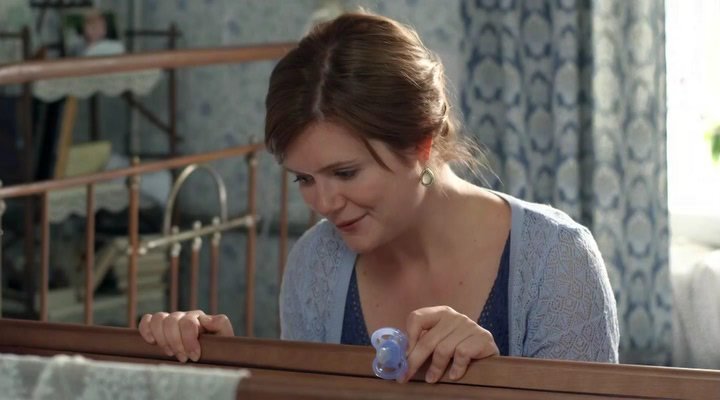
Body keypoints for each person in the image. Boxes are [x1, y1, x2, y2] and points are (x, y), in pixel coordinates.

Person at [138, 11, 619, 383]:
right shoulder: (314, 264)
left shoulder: (556, 261)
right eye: (303, 179)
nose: (324, 203)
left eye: (345, 172)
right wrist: (227, 368)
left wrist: (495, 382)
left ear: (422, 143)